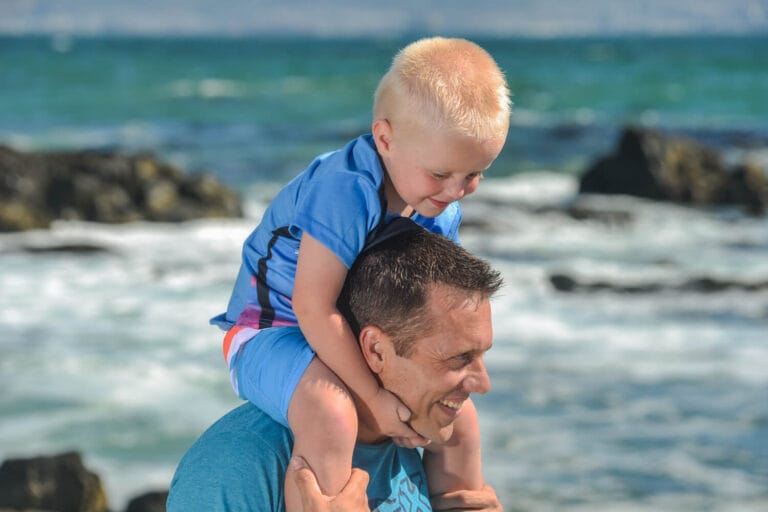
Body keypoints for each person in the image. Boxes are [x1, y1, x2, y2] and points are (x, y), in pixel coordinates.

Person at [210, 37, 511, 510]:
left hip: (353, 330)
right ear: (385, 138)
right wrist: (373, 397)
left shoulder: (440, 207)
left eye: (474, 174)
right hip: (270, 331)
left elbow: (428, 315)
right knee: (331, 413)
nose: (457, 191)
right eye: (440, 174)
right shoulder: (345, 190)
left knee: (462, 422)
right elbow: (312, 306)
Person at [168, 223, 504, 511]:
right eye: (459, 359)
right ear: (376, 350)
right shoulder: (237, 462)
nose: (482, 383)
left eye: (481, 355)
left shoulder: (426, 440)